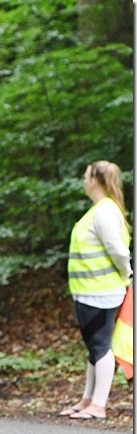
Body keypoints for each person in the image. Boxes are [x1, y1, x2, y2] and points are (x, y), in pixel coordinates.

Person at [59, 160, 132, 420]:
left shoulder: (104, 212)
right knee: (94, 347)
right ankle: (87, 400)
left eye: (86, 175)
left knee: (101, 346)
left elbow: (118, 250)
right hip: (89, 291)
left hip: (102, 291)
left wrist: (127, 274)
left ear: (95, 181)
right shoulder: (100, 210)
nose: (83, 179)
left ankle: (98, 406)